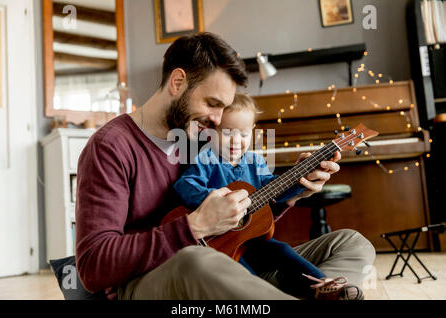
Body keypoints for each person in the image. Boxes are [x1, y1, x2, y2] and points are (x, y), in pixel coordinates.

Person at [75, 32, 375, 300]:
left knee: (351, 243)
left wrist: (292, 192)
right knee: (196, 262)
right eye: (212, 103)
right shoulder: (110, 147)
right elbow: (92, 267)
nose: (218, 121)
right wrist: (194, 226)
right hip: (155, 279)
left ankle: (310, 293)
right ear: (178, 83)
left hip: (229, 258)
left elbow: (239, 221)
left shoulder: (201, 136)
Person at [173, 93, 362, 300]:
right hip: (216, 246)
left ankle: (324, 289)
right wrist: (218, 199)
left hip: (252, 243)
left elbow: (275, 191)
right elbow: (185, 186)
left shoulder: (255, 162)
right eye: (228, 133)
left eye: (243, 134)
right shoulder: (206, 159)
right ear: (210, 133)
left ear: (252, 131)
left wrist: (301, 179)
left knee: (282, 251)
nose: (236, 141)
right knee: (241, 277)